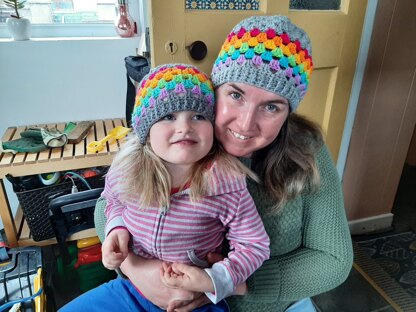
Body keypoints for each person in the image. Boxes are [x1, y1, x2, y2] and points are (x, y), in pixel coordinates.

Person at [97, 15, 354, 312]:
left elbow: (333, 260)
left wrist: (226, 285)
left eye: (271, 106)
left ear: (288, 113)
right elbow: (108, 205)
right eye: (235, 95)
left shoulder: (307, 151)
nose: (245, 124)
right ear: (214, 88)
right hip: (154, 297)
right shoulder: (179, 136)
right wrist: (136, 268)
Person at [60, 64, 270, 312]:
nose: (184, 127)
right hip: (130, 290)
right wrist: (116, 227)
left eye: (199, 116)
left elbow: (254, 245)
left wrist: (213, 280)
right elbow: (112, 200)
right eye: (168, 116)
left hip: (194, 302)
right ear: (146, 132)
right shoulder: (127, 170)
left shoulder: (228, 185)